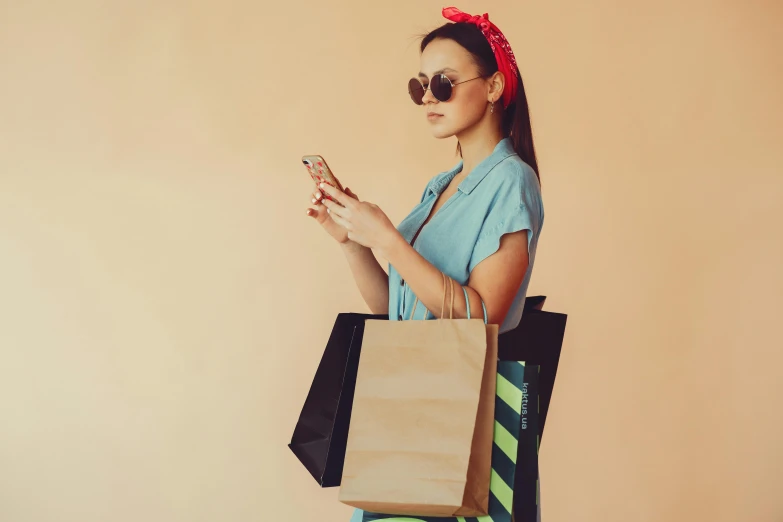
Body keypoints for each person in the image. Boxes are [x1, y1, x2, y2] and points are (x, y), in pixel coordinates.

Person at [305, 6, 544, 522]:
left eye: (443, 82)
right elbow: (396, 304)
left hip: (462, 414)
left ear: (496, 86)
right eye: (420, 87)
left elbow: (484, 320)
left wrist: (390, 241)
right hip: (408, 406)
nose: (429, 98)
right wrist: (353, 242)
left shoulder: (511, 182)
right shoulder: (441, 186)